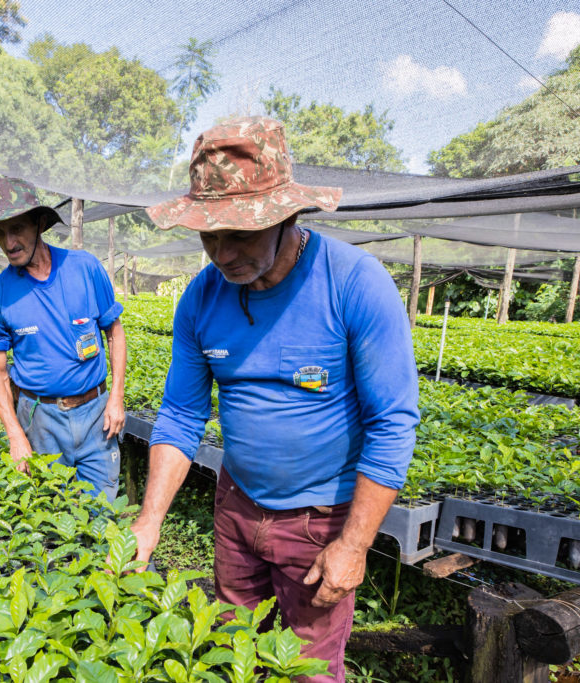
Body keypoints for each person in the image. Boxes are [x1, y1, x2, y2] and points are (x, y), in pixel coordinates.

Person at [130, 118, 419, 682]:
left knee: (308, 668)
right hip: (237, 507)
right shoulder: (202, 296)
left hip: (320, 520)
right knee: (235, 649)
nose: (221, 253)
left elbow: (392, 422)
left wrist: (354, 545)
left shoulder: (354, 282)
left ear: (287, 216)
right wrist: (149, 520)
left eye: (239, 233)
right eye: (209, 236)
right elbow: (183, 414)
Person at [0, 177, 127, 500]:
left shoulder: (85, 268)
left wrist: (117, 398)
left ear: (38, 224)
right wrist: (15, 434)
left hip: (96, 415)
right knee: (51, 514)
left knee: (102, 511)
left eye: (17, 229)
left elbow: (114, 334)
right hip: (40, 418)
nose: (8, 243)